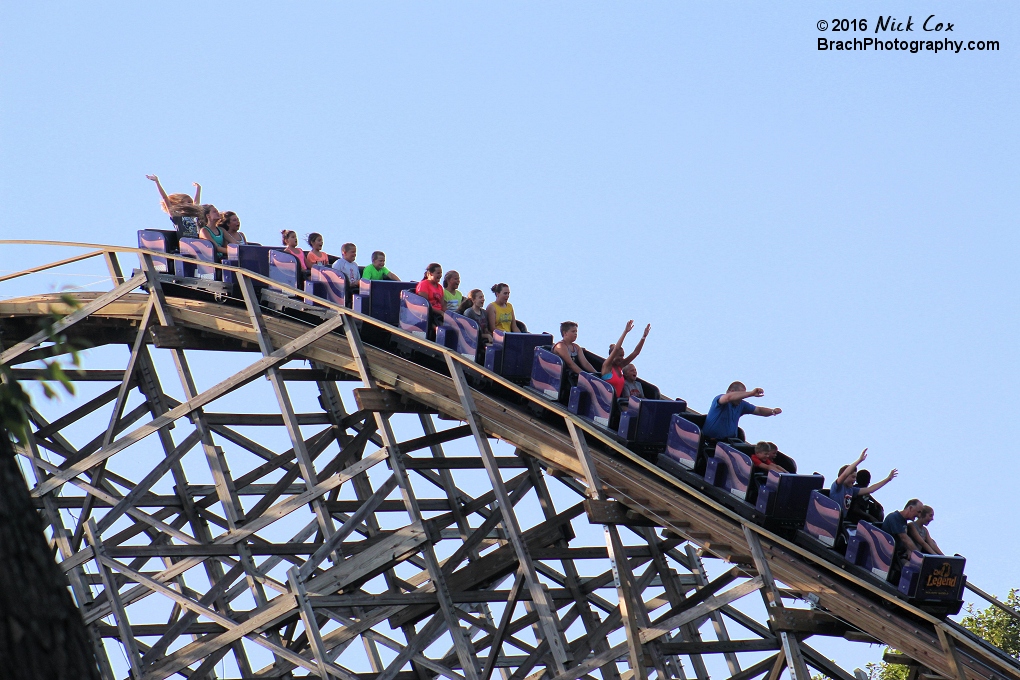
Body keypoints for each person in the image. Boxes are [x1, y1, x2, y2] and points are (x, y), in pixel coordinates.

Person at [701, 382, 781, 441]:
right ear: (731, 391)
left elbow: (759, 410)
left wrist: (772, 411)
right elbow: (728, 398)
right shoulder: (719, 399)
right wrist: (751, 393)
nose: (742, 398)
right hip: (709, 441)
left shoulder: (741, 405)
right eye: (741, 394)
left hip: (728, 444)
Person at [829, 449, 897, 514]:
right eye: (853, 477)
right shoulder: (838, 486)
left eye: (855, 477)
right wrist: (859, 460)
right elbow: (845, 474)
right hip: (832, 517)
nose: (855, 480)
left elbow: (870, 489)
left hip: (840, 520)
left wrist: (888, 479)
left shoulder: (851, 490)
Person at [600, 320, 650, 398]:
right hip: (607, 403)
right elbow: (616, 348)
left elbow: (635, 353)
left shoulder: (620, 366)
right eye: (620, 356)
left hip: (617, 403)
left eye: (623, 356)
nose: (622, 358)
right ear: (613, 355)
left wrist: (644, 337)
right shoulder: (606, 366)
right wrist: (625, 332)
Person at [882, 499, 924, 570]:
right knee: (915, 570)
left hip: (900, 554)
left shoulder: (903, 520)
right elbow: (904, 539)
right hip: (890, 556)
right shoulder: (894, 517)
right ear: (910, 508)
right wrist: (920, 556)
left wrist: (908, 550)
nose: (919, 516)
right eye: (918, 512)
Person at [415, 263, 446, 329]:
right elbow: (424, 304)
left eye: (441, 273)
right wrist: (440, 312)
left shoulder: (440, 287)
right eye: (438, 273)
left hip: (439, 315)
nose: (440, 275)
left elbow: (442, 305)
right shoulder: (424, 284)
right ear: (430, 273)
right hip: (429, 314)